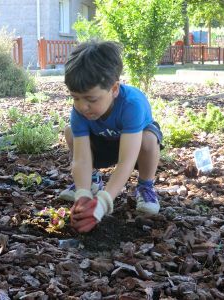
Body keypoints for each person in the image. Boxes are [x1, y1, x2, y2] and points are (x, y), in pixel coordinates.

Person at [59, 40, 163, 233]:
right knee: (70, 131)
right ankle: (92, 182)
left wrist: (104, 202)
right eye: (75, 97)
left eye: (91, 99)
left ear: (114, 89)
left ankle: (145, 186)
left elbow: (126, 161)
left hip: (135, 149)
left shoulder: (132, 104)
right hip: (102, 145)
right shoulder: (79, 112)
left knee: (149, 139)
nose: (82, 106)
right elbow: (81, 159)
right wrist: (83, 196)